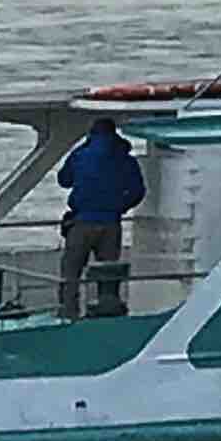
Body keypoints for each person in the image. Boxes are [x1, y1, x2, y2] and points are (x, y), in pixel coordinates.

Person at [56, 116, 147, 319]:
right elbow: (138, 191)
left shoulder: (81, 155)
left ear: (92, 133)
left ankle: (68, 314)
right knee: (107, 273)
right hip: (111, 224)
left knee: (71, 272)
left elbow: (64, 180)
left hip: (82, 222)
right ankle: (108, 314)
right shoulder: (126, 159)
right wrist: (120, 207)